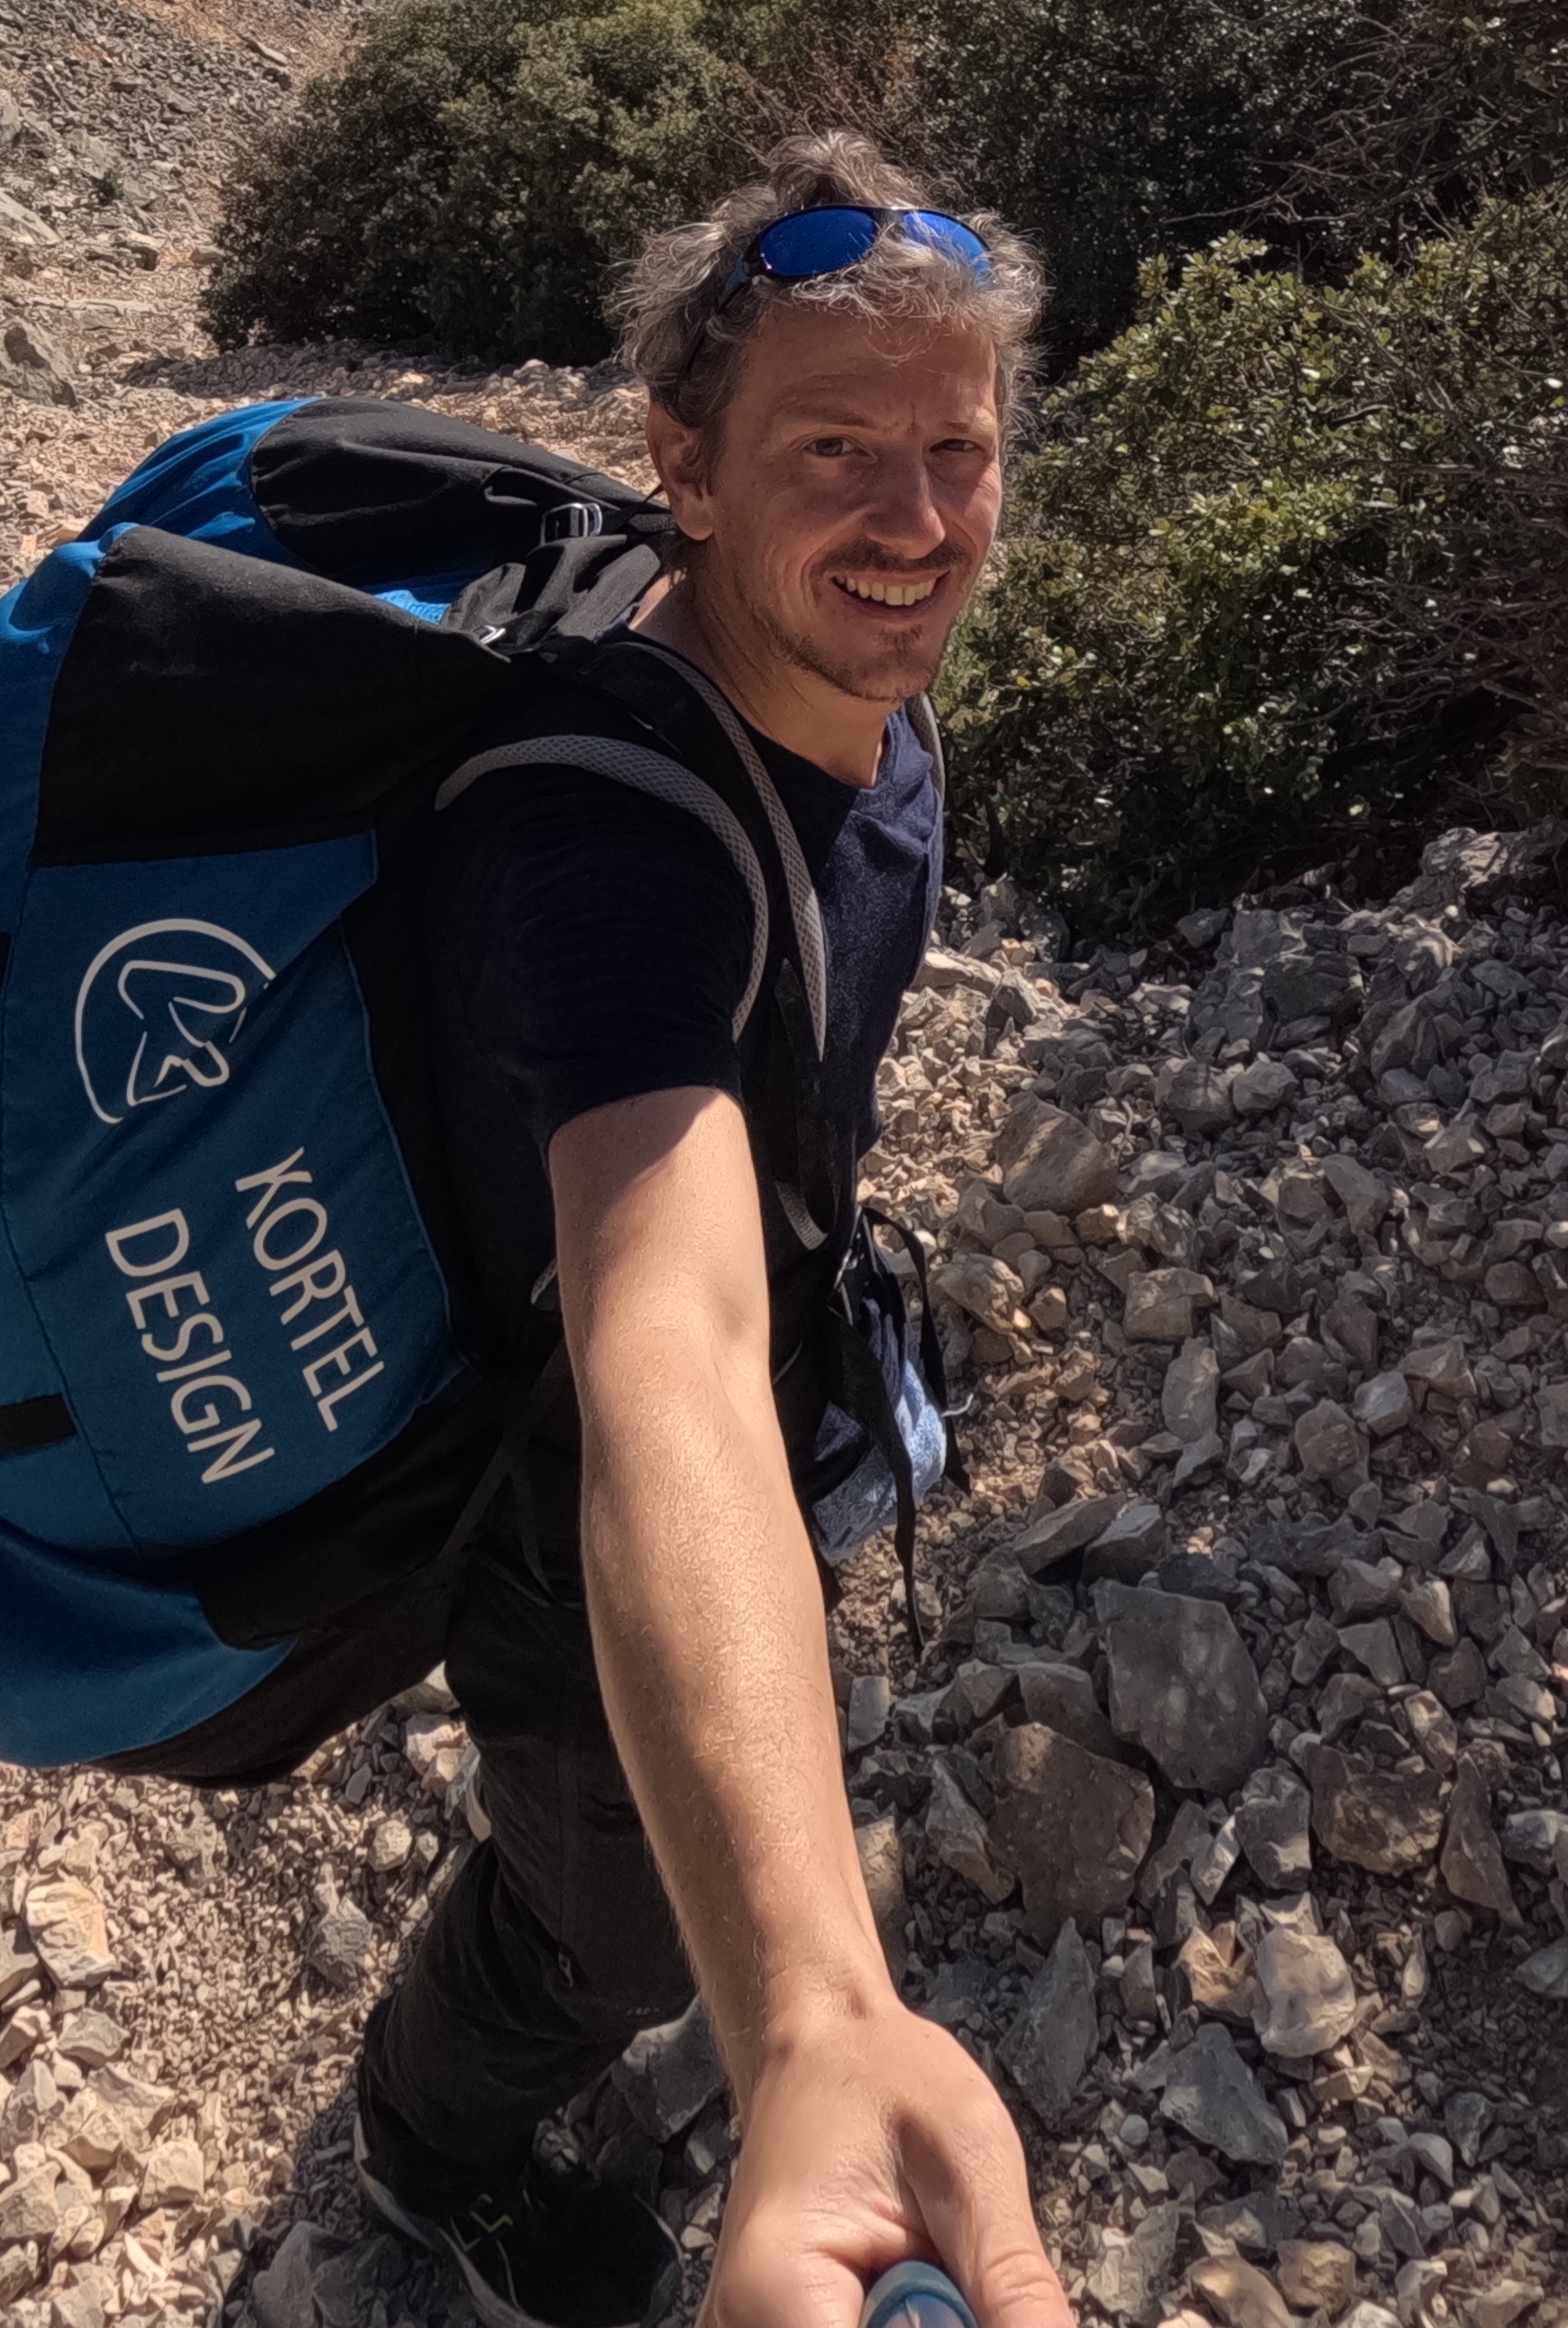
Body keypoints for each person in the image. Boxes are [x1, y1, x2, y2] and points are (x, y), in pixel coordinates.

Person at [358, 136, 1075, 2328]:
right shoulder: (613, 851)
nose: (917, 526)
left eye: (956, 452)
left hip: (669, 1377)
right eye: (834, 452)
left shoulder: (840, 678)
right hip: (546, 1479)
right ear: (680, 463)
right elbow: (659, 1358)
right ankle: (426, 2146)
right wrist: (812, 2027)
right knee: (611, 1921)